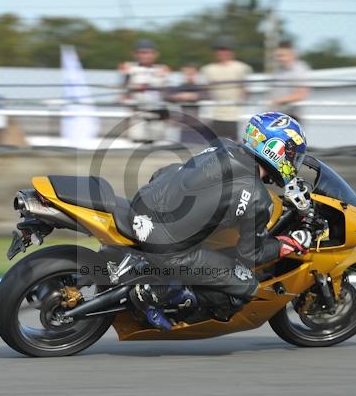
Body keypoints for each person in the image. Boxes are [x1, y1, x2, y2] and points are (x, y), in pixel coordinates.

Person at [128, 112, 311, 330]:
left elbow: (168, 173)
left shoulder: (222, 146)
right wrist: (288, 244)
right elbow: (251, 254)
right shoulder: (258, 198)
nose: (293, 161)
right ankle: (159, 293)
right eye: (292, 154)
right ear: (276, 150)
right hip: (165, 245)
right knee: (246, 286)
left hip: (142, 203)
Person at [201, 36, 252, 141]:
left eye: (226, 50)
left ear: (232, 51)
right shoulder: (207, 69)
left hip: (236, 114)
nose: (222, 53)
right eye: (219, 50)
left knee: (237, 146)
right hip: (215, 114)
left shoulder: (242, 68)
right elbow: (204, 92)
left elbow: (247, 91)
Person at [119, 39, 170, 141]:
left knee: (158, 142)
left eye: (148, 53)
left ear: (155, 54)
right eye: (141, 53)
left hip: (158, 113)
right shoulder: (129, 68)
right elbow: (123, 91)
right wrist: (134, 88)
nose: (145, 56)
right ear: (135, 54)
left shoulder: (162, 69)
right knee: (136, 140)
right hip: (137, 113)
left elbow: (167, 92)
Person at [164, 63, 210, 144]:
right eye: (186, 73)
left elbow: (208, 95)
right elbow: (166, 95)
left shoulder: (201, 87)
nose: (189, 76)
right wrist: (177, 97)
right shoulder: (175, 87)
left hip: (198, 125)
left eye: (192, 73)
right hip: (180, 125)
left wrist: (195, 96)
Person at [270, 41, 311, 123]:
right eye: (277, 56)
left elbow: (301, 94)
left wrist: (277, 101)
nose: (278, 59)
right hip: (279, 115)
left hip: (291, 116)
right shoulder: (279, 70)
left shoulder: (299, 70)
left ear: (292, 55)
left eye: (281, 56)